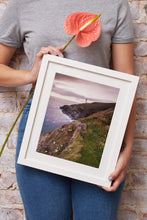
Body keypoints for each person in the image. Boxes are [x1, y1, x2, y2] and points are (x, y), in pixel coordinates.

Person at [0, 0, 136, 219]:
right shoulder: (22, 4)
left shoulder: (114, 4)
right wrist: (30, 75)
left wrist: (126, 148)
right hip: (37, 119)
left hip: (106, 132)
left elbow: (128, 83)